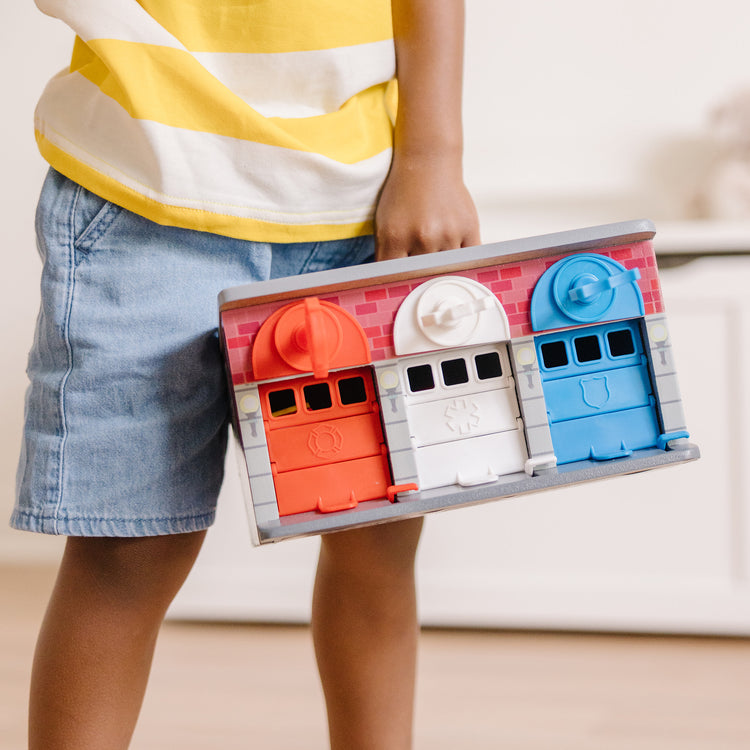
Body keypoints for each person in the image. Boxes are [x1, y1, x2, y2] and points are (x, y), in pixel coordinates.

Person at [11, 1, 480, 748]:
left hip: (362, 212)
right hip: (142, 193)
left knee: (377, 541)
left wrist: (434, 157)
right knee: (126, 551)